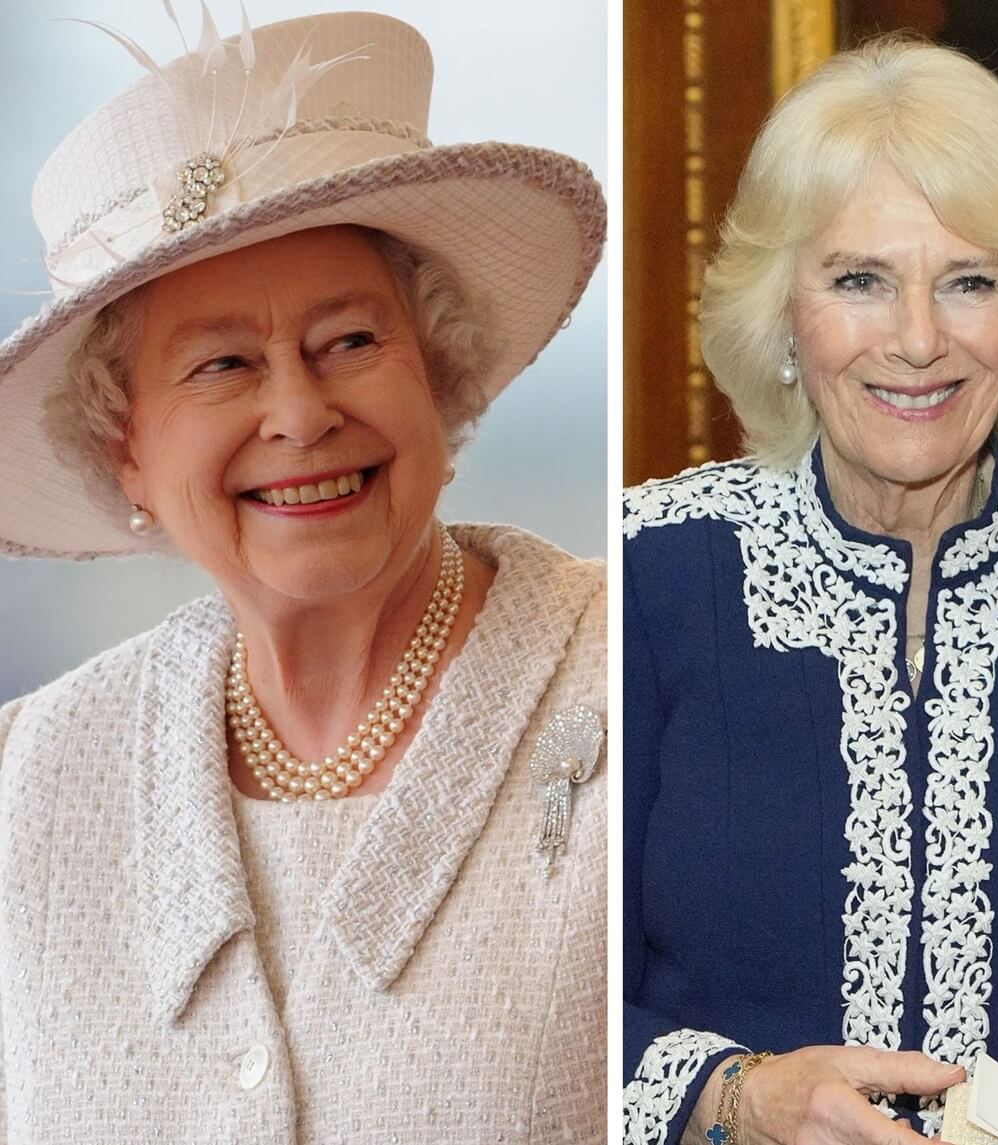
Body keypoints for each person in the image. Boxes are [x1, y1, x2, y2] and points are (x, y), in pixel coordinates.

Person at [0, 10, 605, 1142]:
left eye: (349, 342)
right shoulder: (27, 784)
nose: (299, 412)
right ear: (125, 444)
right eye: (224, 363)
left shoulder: (638, 677)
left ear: (438, 371)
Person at [623, 36, 998, 1145]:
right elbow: (560, 994)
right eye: (860, 280)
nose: (920, 340)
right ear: (785, 315)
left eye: (970, 281)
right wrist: (732, 1098)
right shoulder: (650, 573)